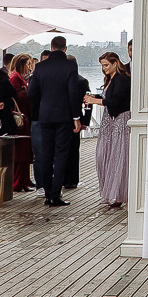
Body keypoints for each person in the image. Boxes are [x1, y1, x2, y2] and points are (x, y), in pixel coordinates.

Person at [23, 36, 90, 207]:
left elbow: (31, 93)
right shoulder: (70, 66)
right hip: (63, 116)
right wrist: (76, 117)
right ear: (65, 49)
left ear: (51, 48)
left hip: (44, 115)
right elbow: (73, 92)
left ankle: (46, 194)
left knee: (46, 154)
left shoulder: (40, 67)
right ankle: (55, 195)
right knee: (61, 154)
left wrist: (43, 104)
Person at [89, 51, 132, 209]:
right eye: (102, 66)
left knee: (117, 155)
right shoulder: (111, 79)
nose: (104, 69)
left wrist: (95, 101)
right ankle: (112, 192)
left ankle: (117, 194)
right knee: (105, 154)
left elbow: (115, 100)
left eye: (106, 65)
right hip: (110, 121)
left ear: (115, 64)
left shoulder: (121, 79)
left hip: (119, 120)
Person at [6, 52, 37, 194]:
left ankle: (24, 180)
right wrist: (26, 92)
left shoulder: (18, 77)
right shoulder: (15, 78)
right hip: (20, 118)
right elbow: (13, 97)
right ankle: (18, 181)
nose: (30, 68)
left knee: (25, 151)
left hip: (24, 118)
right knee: (20, 152)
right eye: (28, 64)